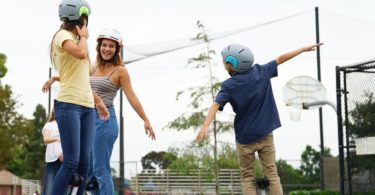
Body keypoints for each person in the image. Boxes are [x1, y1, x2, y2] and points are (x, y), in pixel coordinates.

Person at [195, 43, 323, 194]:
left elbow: (216, 104)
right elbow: (280, 59)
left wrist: (205, 125)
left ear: (232, 64)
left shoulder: (228, 85)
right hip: (265, 134)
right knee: (272, 174)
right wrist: (301, 49)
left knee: (247, 177)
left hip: (245, 138)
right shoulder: (261, 71)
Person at [43, 0, 109, 194]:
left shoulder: (78, 40)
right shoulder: (63, 36)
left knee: (84, 164)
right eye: (85, 18)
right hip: (68, 104)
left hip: (87, 106)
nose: (86, 22)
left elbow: (83, 75)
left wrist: (98, 102)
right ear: (80, 17)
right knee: (71, 161)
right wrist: (85, 37)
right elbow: (80, 53)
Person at [88, 28, 156, 195]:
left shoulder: (120, 71)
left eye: (111, 46)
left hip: (104, 121)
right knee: (89, 170)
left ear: (117, 49)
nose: (107, 49)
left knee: (100, 168)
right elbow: (78, 82)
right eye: (104, 45)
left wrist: (146, 120)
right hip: (88, 120)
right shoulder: (93, 67)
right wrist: (56, 78)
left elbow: (132, 97)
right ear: (99, 47)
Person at [41, 110, 62, 195]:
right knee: (48, 191)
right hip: (52, 162)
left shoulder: (67, 125)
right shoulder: (49, 125)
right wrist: (57, 139)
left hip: (66, 163)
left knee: (63, 191)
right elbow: (45, 140)